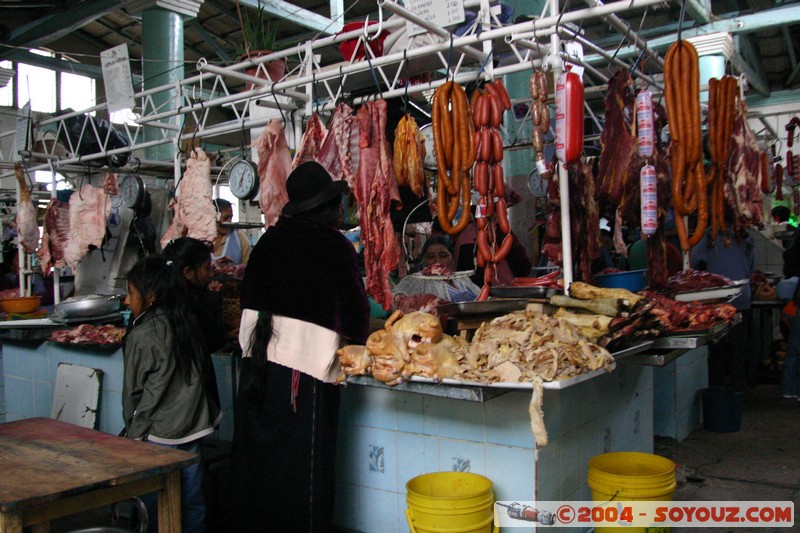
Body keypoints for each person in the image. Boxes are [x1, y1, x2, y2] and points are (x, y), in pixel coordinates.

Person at [231, 161, 370, 532]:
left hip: (255, 367)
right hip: (301, 375)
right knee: (303, 470)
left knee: (260, 464)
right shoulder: (333, 246)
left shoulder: (266, 243)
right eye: (336, 203)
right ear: (325, 208)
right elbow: (357, 318)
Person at [122, 255, 222, 533]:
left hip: (158, 435)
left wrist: (132, 435)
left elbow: (133, 393)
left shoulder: (141, 335)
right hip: (193, 429)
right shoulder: (186, 322)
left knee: (151, 505)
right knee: (192, 502)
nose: (127, 301)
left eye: (130, 293)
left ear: (150, 295)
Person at [691, 217, 755, 389]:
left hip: (718, 301)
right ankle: (739, 389)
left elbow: (694, 263)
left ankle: (718, 389)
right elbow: (750, 268)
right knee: (738, 349)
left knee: (718, 349)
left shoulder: (707, 238)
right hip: (741, 298)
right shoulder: (746, 238)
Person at [162, 237, 229, 354]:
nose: (211, 273)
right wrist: (212, 300)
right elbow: (213, 341)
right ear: (188, 272)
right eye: (207, 268)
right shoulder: (188, 307)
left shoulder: (165, 299)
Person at [394, 235, 481, 303]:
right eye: (431, 257)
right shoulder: (415, 280)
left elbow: (482, 299)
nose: (438, 261)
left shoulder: (463, 279)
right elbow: (393, 298)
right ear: (424, 261)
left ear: (452, 258)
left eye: (443, 256)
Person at [211, 198, 252, 265]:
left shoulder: (240, 238)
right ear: (214, 217)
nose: (229, 222)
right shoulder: (201, 237)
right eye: (225, 218)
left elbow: (251, 266)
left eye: (231, 218)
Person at [780, 283, 800, 399]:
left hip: (794, 338)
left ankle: (788, 390)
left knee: (790, 364)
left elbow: (785, 320)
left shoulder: (791, 306)